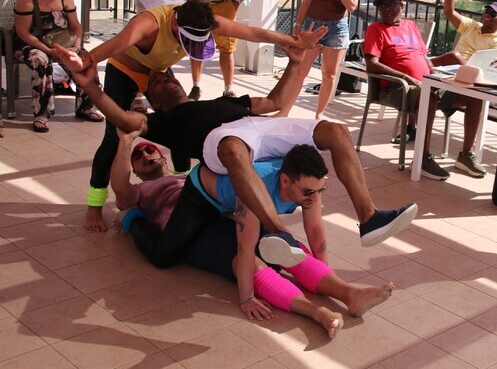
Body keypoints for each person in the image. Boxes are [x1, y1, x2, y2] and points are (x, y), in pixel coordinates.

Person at [59, 46, 418, 263]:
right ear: (153, 100)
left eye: (168, 76)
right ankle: (278, 234)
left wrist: (295, 61)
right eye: (157, 82)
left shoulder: (221, 99)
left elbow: (275, 101)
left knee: (336, 131)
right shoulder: (161, 122)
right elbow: (122, 118)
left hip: (257, 128)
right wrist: (90, 84)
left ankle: (368, 217)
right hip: (220, 143)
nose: (166, 79)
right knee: (232, 148)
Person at [71, 0, 327, 232]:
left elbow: (252, 33)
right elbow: (118, 42)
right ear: (175, 24)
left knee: (182, 124)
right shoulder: (150, 23)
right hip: (125, 70)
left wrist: (295, 42)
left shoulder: (205, 20)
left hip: (158, 72)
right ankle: (94, 206)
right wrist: (86, 63)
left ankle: (182, 182)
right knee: (113, 136)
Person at [111, 137, 394, 338]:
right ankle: (315, 312)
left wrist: (325, 279)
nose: (145, 155)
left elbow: (315, 230)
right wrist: (246, 298)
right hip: (189, 223)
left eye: (150, 150)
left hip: (223, 213)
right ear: (135, 171)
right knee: (244, 260)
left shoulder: (305, 181)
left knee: (290, 249)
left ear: (164, 157)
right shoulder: (141, 191)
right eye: (139, 157)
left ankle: (350, 293)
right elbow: (245, 248)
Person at [364, 0, 497, 181]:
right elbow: (372, 64)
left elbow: (424, 58)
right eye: (382, 5)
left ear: (401, 6)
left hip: (426, 84)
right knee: (427, 95)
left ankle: (465, 155)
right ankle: (422, 158)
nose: (387, 8)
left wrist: (439, 76)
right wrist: (407, 77)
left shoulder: (410, 26)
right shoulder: (375, 29)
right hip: (396, 88)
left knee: (474, 95)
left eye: (392, 4)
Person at [12, 0, 104, 132]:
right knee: (41, 59)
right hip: (30, 43)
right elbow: (23, 33)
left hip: (60, 42)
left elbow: (76, 27)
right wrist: (48, 50)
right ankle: (42, 113)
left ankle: (86, 107)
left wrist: (76, 47)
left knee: (86, 58)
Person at [294, 0, 360, 119]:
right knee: (300, 72)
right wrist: (298, 24)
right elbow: (307, 1)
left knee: (329, 74)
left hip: (337, 28)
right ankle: (286, 108)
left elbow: (351, 6)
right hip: (314, 25)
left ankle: (319, 114)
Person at [429, 0, 497, 68]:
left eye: (493, 14)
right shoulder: (472, 25)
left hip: (470, 71)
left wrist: (460, 61)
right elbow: (449, 12)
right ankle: (426, 65)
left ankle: (426, 64)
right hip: (450, 67)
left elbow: (487, 66)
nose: (487, 15)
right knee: (451, 57)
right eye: (486, 11)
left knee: (454, 56)